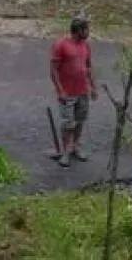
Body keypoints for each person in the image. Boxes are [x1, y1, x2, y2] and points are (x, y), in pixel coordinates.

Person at [50, 16, 97, 168]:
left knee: (80, 121)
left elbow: (88, 66)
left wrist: (93, 86)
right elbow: (53, 70)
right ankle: (65, 151)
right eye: (86, 30)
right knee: (67, 124)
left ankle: (75, 146)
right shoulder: (61, 45)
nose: (88, 32)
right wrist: (60, 91)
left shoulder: (86, 45)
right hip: (68, 93)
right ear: (78, 30)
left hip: (82, 91)